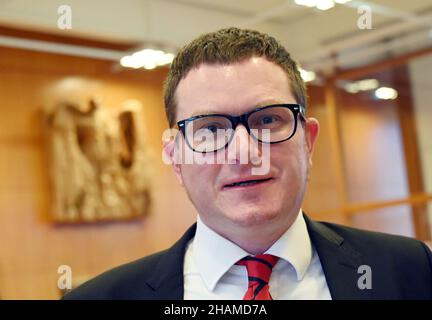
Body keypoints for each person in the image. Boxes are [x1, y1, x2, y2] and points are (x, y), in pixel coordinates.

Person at [64, 27, 432, 300]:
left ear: (308, 140)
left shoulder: (409, 270)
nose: (244, 152)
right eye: (209, 128)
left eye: (268, 120)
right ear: (175, 157)